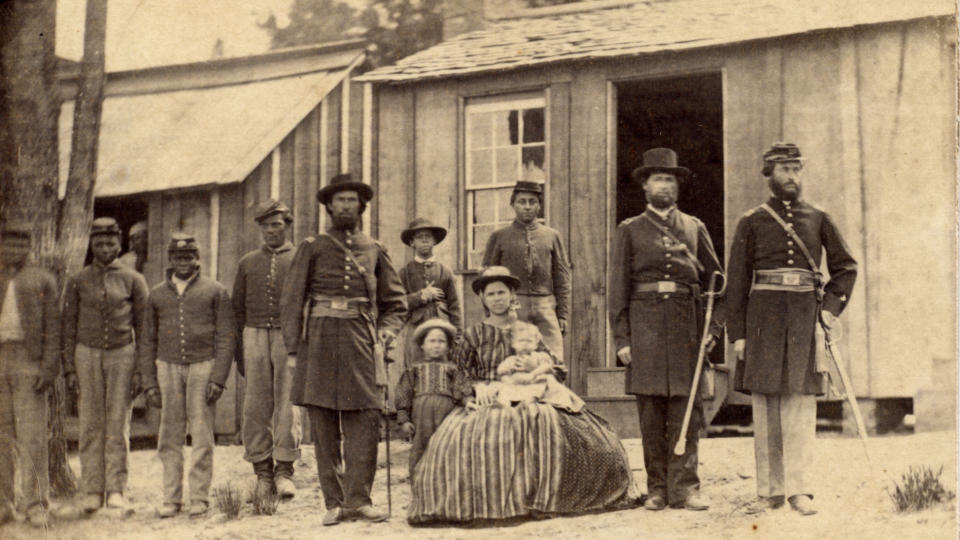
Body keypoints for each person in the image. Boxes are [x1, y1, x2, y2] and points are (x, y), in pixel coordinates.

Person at [408, 266, 635, 524]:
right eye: (490, 293)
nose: (497, 298)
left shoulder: (527, 330)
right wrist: (476, 389)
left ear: (512, 294)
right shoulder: (472, 335)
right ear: (482, 298)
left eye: (502, 292)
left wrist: (539, 368)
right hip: (489, 392)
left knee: (571, 432)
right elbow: (459, 372)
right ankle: (493, 502)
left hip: (531, 388)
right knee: (477, 437)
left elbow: (554, 364)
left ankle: (545, 496)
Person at [726, 142, 857, 516]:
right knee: (766, 403)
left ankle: (800, 489)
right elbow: (736, 282)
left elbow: (846, 268)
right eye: (784, 169)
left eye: (797, 169)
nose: (791, 176)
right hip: (762, 320)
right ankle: (770, 489)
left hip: (804, 318)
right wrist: (737, 334)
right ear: (769, 174)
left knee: (800, 403)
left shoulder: (819, 218)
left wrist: (830, 311)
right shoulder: (751, 221)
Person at [280, 173, 407, 526]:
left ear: (361, 206)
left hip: (361, 341)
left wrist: (386, 333)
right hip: (318, 339)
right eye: (340, 201)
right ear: (329, 207)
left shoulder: (374, 248)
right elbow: (292, 302)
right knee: (322, 423)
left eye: (352, 200)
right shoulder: (312, 247)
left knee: (365, 420)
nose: (346, 206)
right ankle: (333, 503)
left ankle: (359, 501)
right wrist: (293, 350)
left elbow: (395, 304)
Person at [609, 148, 724, 512]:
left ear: (678, 186)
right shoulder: (629, 230)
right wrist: (622, 338)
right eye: (658, 178)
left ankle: (686, 488)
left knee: (686, 409)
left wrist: (714, 328)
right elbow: (617, 289)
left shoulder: (694, 227)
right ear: (645, 185)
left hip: (686, 326)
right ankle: (657, 487)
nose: (664, 185)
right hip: (645, 328)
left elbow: (719, 283)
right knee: (651, 412)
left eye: (670, 179)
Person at [140, 232, 235, 518]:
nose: (184, 262)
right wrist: (149, 382)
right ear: (170, 259)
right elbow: (147, 340)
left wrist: (218, 377)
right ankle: (171, 497)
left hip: (202, 366)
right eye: (179, 257)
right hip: (167, 367)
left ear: (197, 259)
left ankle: (199, 497)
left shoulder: (215, 290)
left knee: (203, 433)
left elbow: (226, 336)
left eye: (189, 256)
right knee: (169, 434)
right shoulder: (156, 294)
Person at [61, 217, 149, 515]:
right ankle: (91, 490)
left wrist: (140, 369)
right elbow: (68, 327)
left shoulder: (133, 279)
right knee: (90, 423)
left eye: (111, 243)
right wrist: (69, 369)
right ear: (91, 245)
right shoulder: (78, 280)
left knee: (117, 423)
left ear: (119, 243)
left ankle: (116, 489)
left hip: (122, 354)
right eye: (99, 243)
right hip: (86, 355)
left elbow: (145, 328)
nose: (105, 248)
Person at [232, 199, 301, 501]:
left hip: (290, 337)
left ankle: (284, 471)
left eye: (277, 225)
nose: (271, 231)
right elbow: (237, 309)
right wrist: (240, 350)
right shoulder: (247, 262)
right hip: (255, 335)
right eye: (266, 226)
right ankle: (262, 471)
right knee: (256, 405)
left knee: (289, 403)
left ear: (287, 225)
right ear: (259, 228)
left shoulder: (301, 258)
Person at [0, 221, 59, 527]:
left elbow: (53, 327)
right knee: (1, 435)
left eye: (21, 245)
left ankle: (36, 503)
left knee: (33, 435)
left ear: (29, 247)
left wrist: (49, 368)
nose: (14, 250)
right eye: (8, 243)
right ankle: (4, 503)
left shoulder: (42, 279)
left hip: (28, 359)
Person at [482, 180, 571, 360]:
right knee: (511, 359)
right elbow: (488, 278)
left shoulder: (552, 236)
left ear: (539, 206)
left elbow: (562, 276)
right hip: (513, 307)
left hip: (546, 306)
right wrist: (491, 312)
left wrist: (562, 313)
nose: (527, 207)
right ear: (513, 204)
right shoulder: (499, 237)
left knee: (554, 360)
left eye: (532, 202)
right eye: (522, 202)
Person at [394, 318, 459, 478]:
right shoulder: (414, 370)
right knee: (420, 449)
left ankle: (445, 489)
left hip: (447, 415)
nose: (436, 345)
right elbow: (404, 394)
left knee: (447, 448)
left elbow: (461, 388)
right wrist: (404, 419)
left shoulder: (453, 369)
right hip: (421, 417)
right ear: (422, 345)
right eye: (431, 341)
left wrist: (468, 400)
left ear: (449, 346)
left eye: (441, 341)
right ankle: (419, 489)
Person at [397, 218, 462, 368]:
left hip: (441, 326)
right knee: (415, 369)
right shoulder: (404, 273)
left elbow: (455, 306)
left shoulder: (445, 272)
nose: (425, 240)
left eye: (428, 237)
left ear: (434, 241)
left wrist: (457, 337)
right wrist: (420, 296)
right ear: (412, 243)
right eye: (420, 237)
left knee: (444, 368)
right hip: (415, 329)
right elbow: (397, 304)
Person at [495, 321, 584, 412]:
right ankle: (505, 404)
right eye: (521, 341)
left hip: (536, 381)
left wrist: (533, 374)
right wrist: (509, 378)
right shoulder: (512, 359)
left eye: (529, 341)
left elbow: (546, 366)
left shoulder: (540, 356)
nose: (525, 344)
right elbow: (501, 371)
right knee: (505, 388)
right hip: (519, 383)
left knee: (545, 381)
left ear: (536, 344)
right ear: (513, 344)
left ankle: (531, 401)